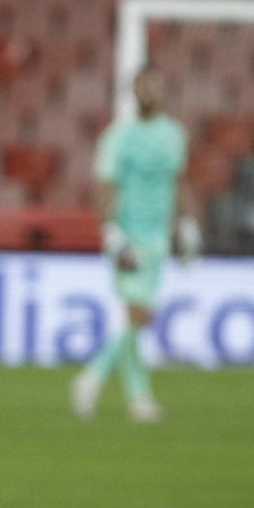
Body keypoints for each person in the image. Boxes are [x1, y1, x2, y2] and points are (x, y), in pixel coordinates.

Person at [71, 66, 200, 422]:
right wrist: (110, 231)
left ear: (163, 91)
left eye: (154, 86)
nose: (148, 93)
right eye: (142, 87)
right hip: (128, 236)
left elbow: (179, 180)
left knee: (134, 318)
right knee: (137, 314)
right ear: (133, 92)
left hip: (158, 237)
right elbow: (103, 187)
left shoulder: (173, 134)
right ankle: (92, 377)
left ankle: (138, 398)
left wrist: (188, 223)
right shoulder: (118, 137)